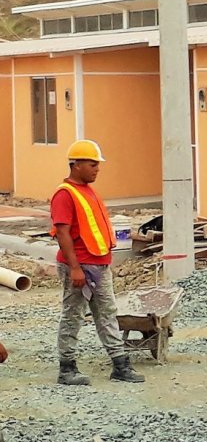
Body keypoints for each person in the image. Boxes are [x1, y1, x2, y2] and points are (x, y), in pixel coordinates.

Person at [51, 140, 144, 385]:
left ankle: (120, 366)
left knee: (107, 314)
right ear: (77, 164)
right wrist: (74, 268)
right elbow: (62, 233)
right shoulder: (65, 194)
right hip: (80, 266)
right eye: (92, 164)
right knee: (73, 315)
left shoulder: (87, 190)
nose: (97, 169)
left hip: (99, 265)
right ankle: (67, 368)